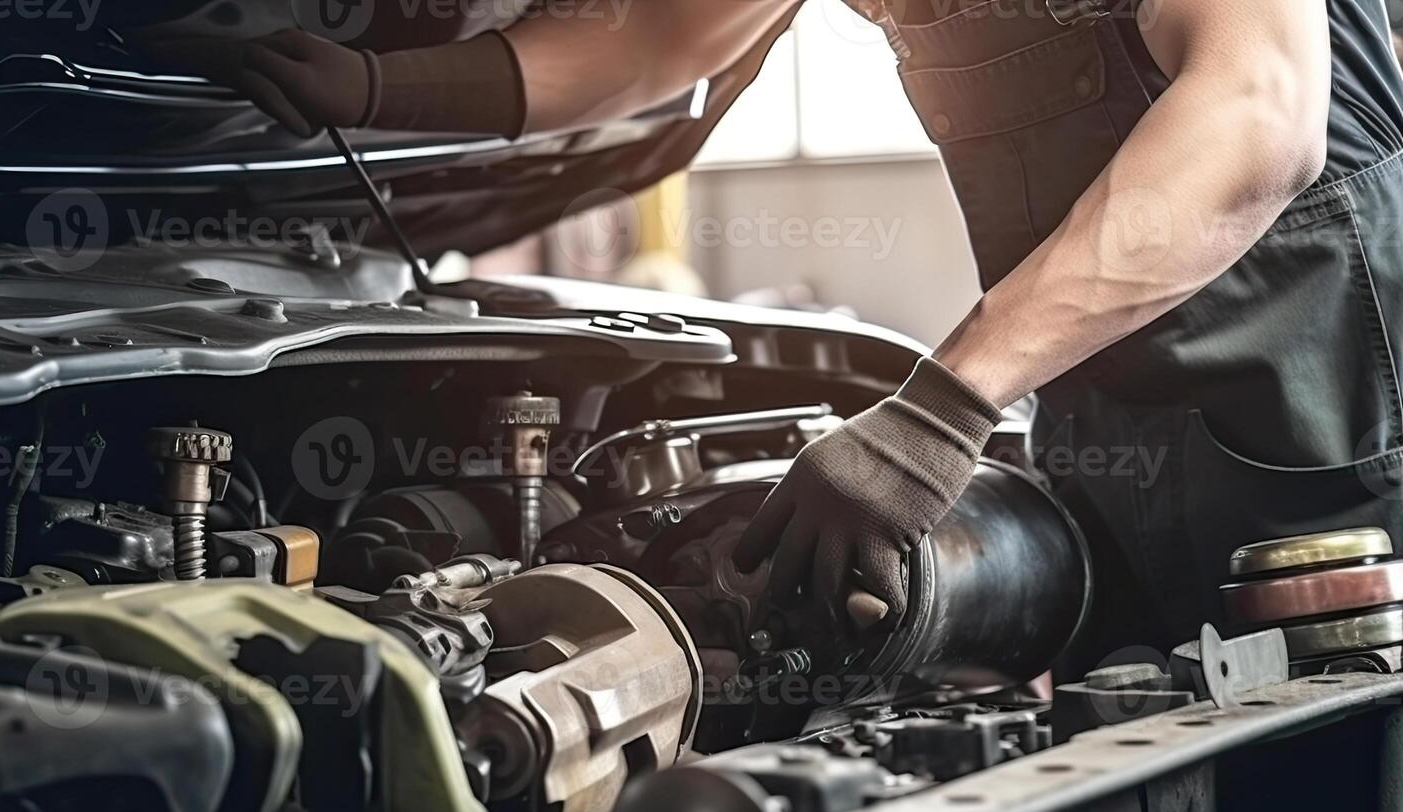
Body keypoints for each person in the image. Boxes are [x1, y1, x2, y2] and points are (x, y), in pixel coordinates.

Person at [146, 0, 1403, 668]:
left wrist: (937, 410)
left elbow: (1256, 121)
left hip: (1332, 391)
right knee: (1157, 744)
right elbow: (653, 38)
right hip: (1099, 385)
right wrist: (369, 88)